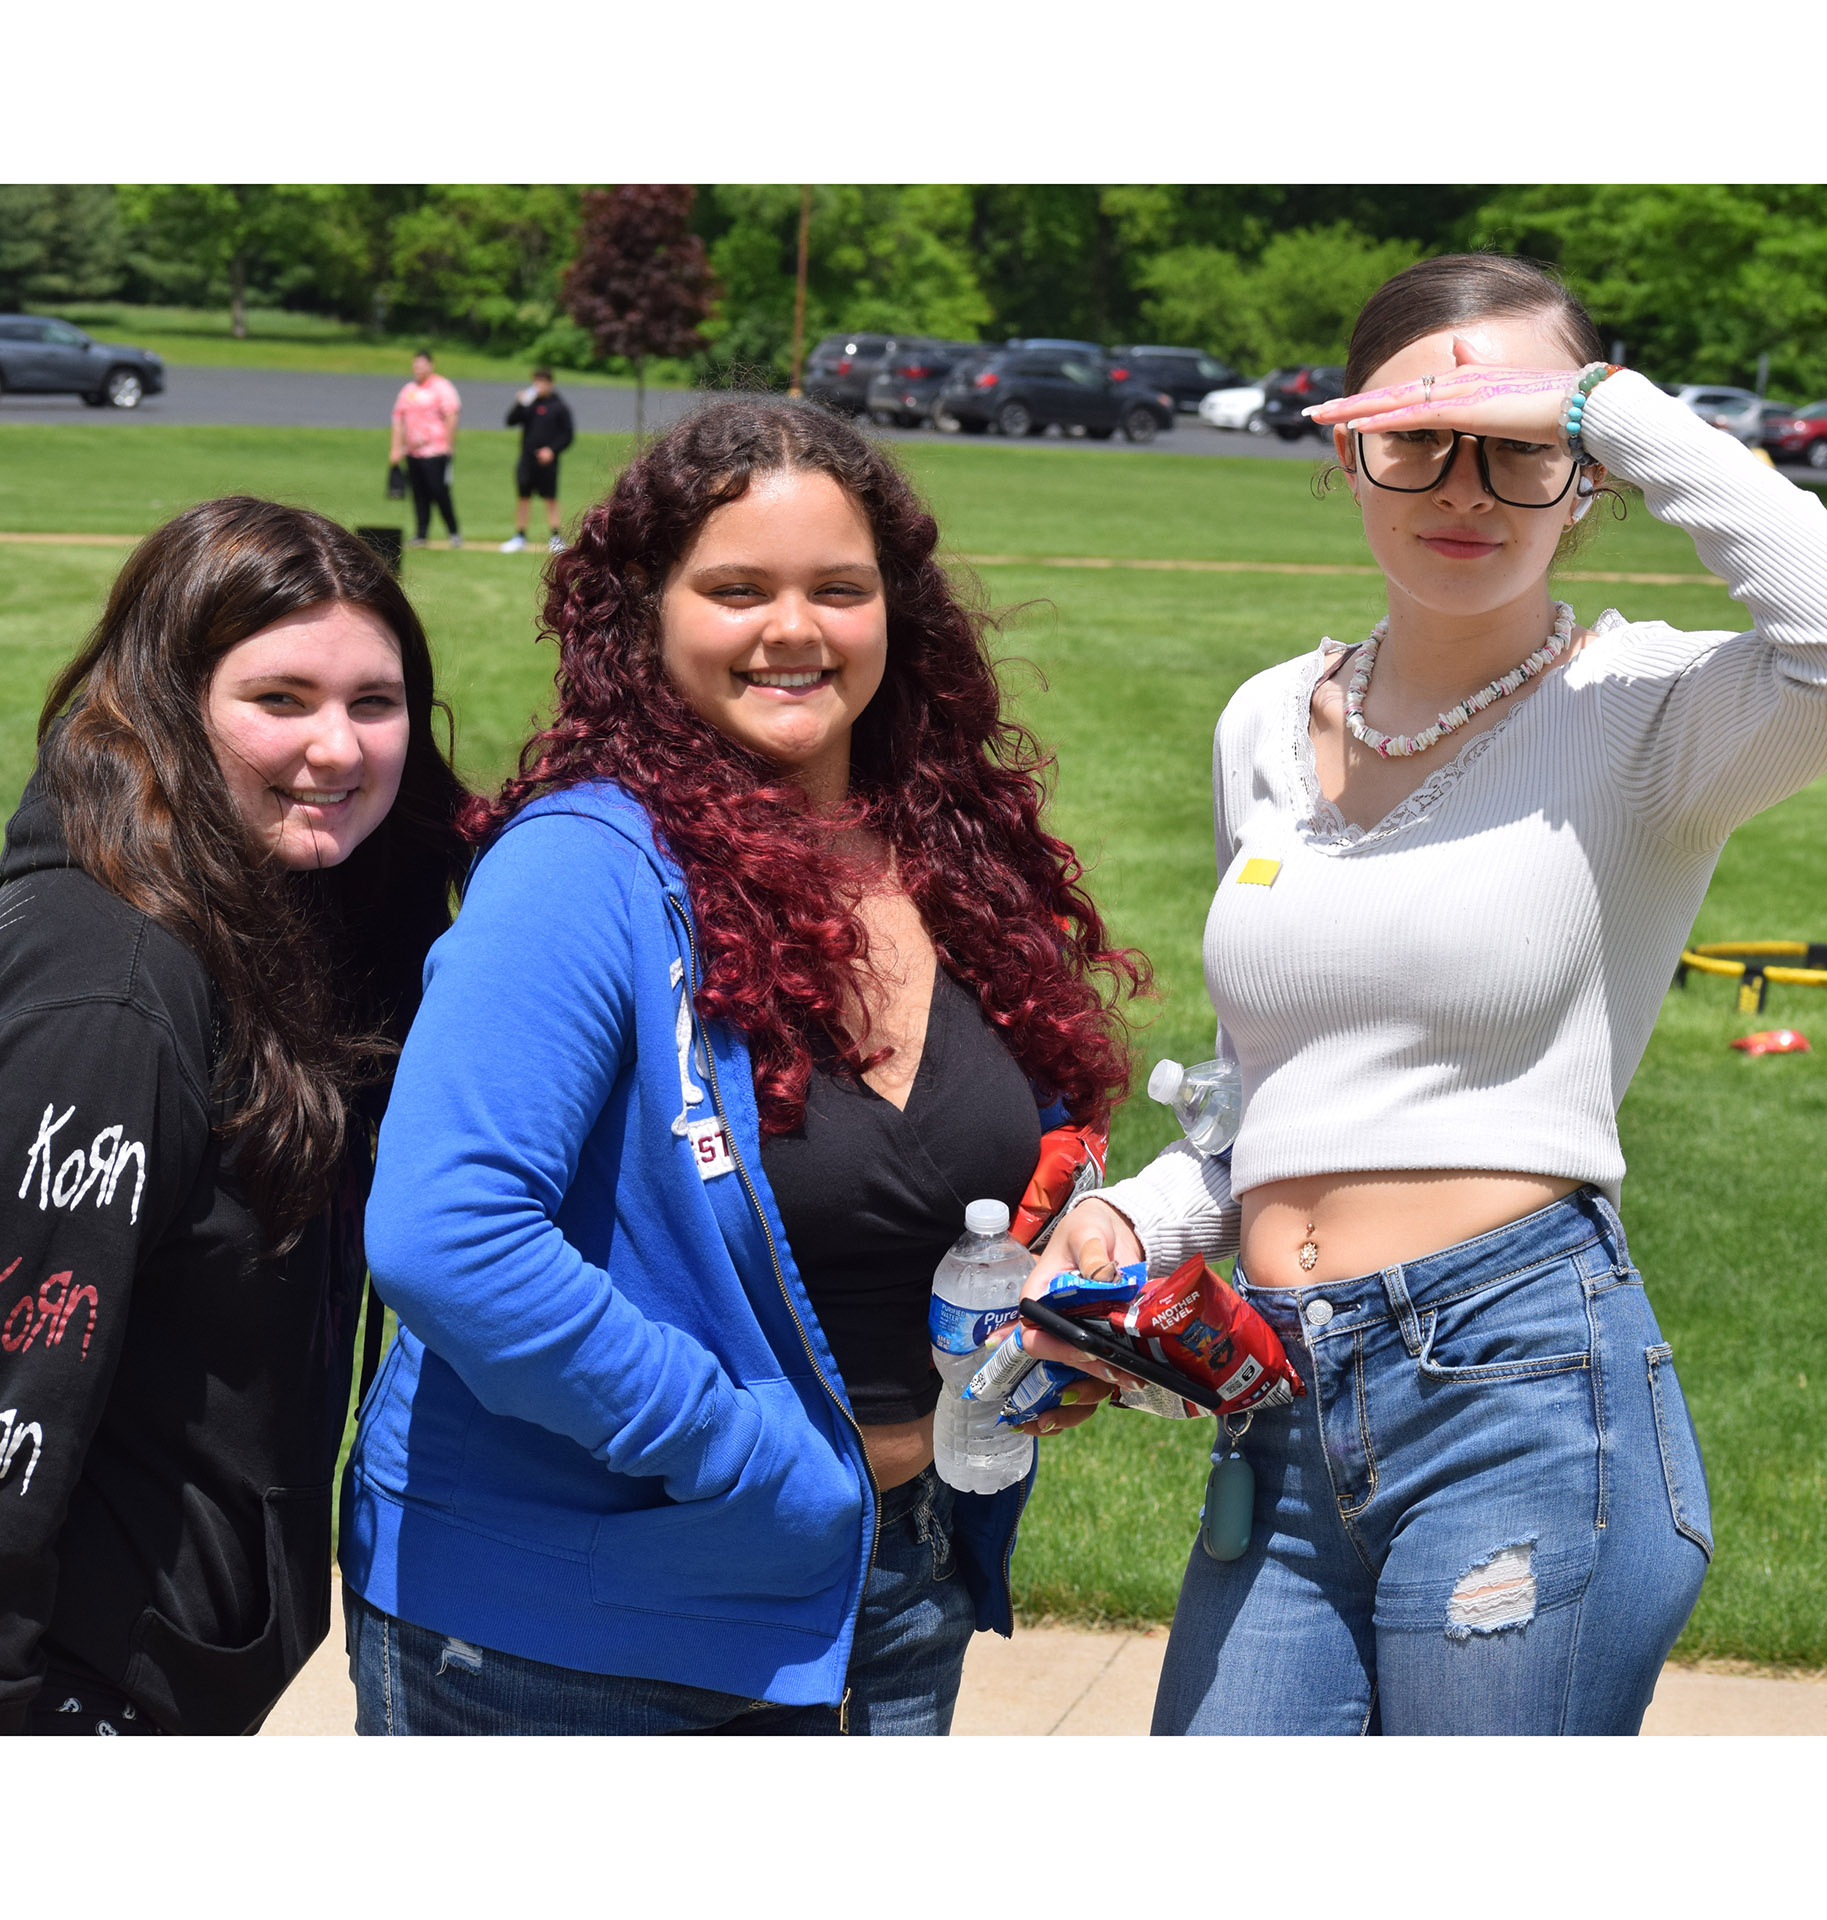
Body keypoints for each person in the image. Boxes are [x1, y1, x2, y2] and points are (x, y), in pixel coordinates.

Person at [1030, 253, 1827, 1736]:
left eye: (1519, 449)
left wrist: (1605, 400)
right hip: (1282, 1404)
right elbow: (1279, 1084)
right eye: (1418, 440)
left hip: (1519, 1391)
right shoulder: (1264, 716)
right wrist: (1146, 1211)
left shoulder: (1652, 713)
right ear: (1349, 449)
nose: (1466, 486)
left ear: (1588, 475)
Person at [339, 396, 1142, 1735]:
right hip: (576, 1635)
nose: (794, 629)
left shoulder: (948, 861)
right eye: (735, 588)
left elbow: (1019, 1129)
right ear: (644, 614)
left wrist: (1079, 1236)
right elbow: (448, 1237)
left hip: (893, 1589)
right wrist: (760, 1463)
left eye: (840, 587)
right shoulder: (583, 869)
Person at [0, 497, 468, 1735]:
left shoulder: (275, 920)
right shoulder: (115, 990)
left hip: (164, 1654)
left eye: (375, 703)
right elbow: (19, 1368)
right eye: (281, 699)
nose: (339, 747)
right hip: (77, 1690)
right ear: (167, 703)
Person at [389, 349, 462, 549]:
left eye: (421, 364)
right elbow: (398, 420)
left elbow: (452, 414)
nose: (418, 369)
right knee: (418, 493)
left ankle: (453, 531)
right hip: (413, 451)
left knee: (439, 491)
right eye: (415, 365)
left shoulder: (441, 387)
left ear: (431, 365)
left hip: (435, 450)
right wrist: (396, 448)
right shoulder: (408, 390)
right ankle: (421, 533)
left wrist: (448, 444)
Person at [501, 367, 575, 553]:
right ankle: (520, 535)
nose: (539, 386)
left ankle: (556, 536)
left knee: (550, 498)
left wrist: (552, 450)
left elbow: (567, 435)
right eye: (536, 382)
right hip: (527, 459)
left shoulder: (559, 406)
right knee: (523, 497)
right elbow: (510, 421)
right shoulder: (529, 404)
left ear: (550, 383)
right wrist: (519, 403)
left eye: (542, 382)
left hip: (548, 461)